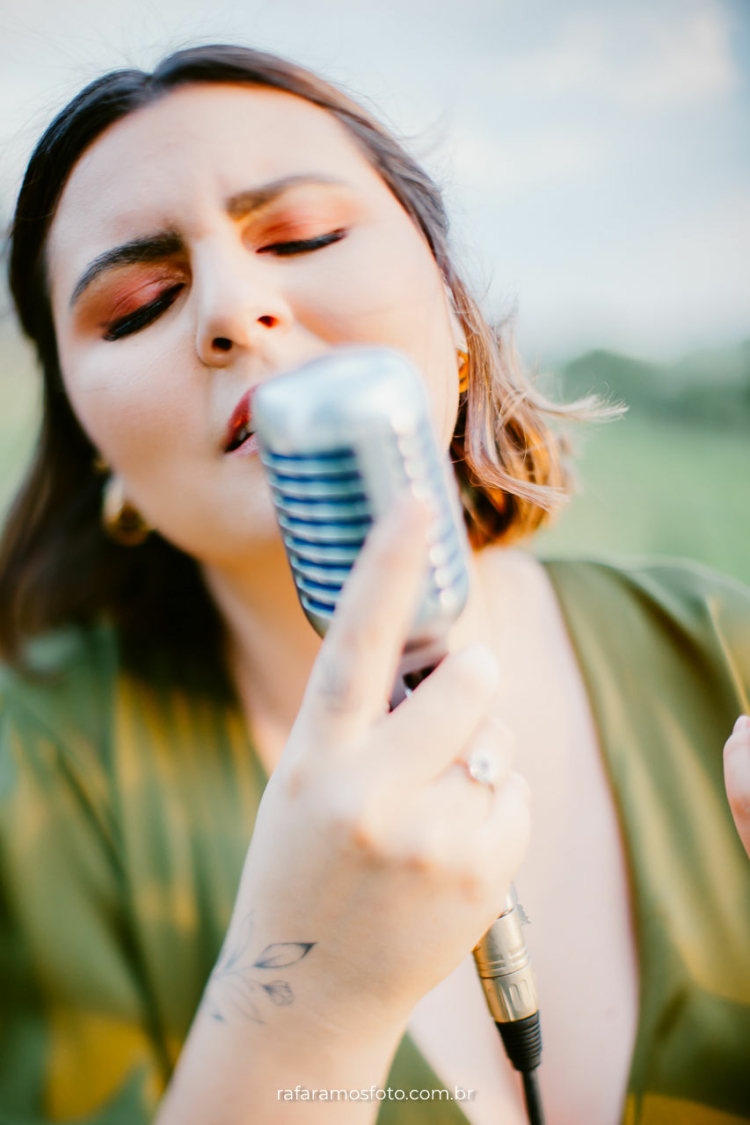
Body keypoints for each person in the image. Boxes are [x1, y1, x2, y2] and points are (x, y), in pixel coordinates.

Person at [0, 44, 748, 1125]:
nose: (233, 306)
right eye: (137, 305)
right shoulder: (34, 783)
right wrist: (300, 1006)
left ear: (454, 319)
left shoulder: (723, 644)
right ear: (96, 454)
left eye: (300, 236)